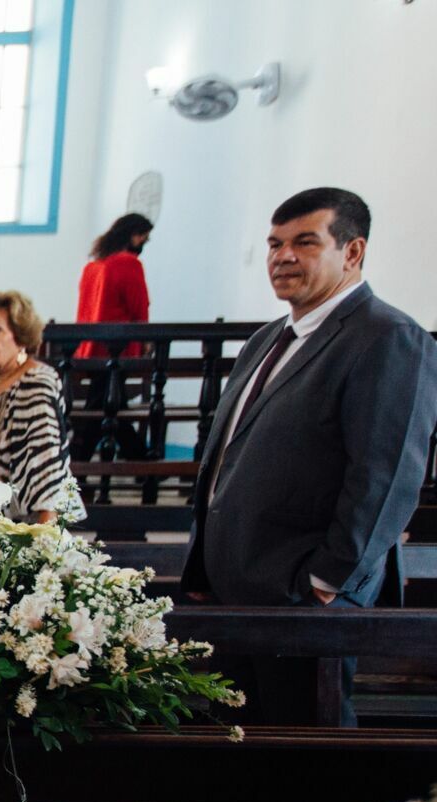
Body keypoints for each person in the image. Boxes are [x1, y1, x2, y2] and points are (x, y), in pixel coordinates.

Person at [184, 187, 437, 726]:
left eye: (304, 242)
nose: (282, 257)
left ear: (352, 252)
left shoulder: (388, 337)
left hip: (302, 597)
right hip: (236, 588)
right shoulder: (268, 339)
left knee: (302, 761)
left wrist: (324, 584)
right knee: (234, 755)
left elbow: (385, 479)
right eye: (275, 244)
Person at [0, 288, 83, 525]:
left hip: (19, 536)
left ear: (21, 337)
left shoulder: (34, 384)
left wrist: (40, 551)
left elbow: (49, 476)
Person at [74, 213, 152, 361]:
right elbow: (138, 306)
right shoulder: (129, 264)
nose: (144, 242)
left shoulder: (92, 267)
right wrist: (146, 339)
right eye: (144, 238)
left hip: (89, 346)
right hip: (117, 346)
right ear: (133, 235)